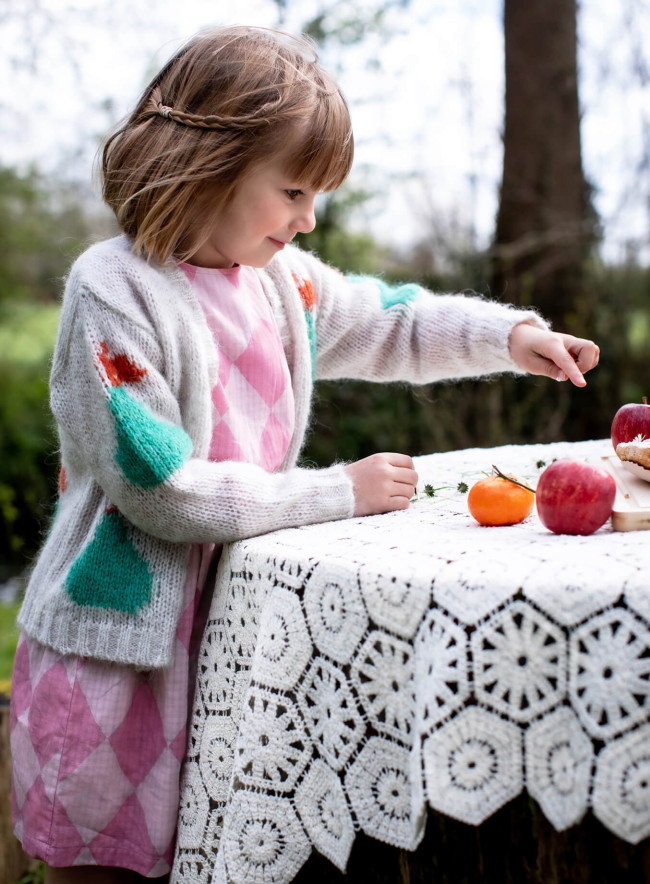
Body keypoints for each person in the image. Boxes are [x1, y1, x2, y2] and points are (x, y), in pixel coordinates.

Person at [10, 24, 599, 884]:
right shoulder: (115, 292)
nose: (309, 217)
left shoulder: (283, 284)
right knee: (106, 867)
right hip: (123, 652)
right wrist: (337, 493)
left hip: (235, 630)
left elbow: (394, 316)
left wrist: (507, 335)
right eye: (292, 188)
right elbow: (160, 487)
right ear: (204, 163)